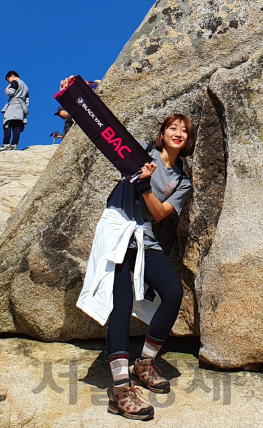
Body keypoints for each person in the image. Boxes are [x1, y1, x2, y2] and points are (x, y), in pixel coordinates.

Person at [76, 114, 196, 421]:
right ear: (161, 133)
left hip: (143, 236)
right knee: (121, 303)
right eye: (173, 127)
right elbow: (105, 133)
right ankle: (120, 389)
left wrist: (144, 186)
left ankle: (144, 363)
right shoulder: (144, 152)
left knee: (172, 291)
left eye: (184, 130)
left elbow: (158, 214)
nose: (178, 132)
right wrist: (74, 96)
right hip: (117, 228)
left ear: (189, 140)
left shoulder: (181, 182)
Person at [0, 70, 28, 152]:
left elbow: (11, 93)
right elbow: (27, 101)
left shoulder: (15, 82)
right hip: (21, 107)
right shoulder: (25, 86)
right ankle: (14, 144)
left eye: (8, 79)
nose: (8, 82)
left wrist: (7, 90)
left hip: (13, 105)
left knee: (7, 123)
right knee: (17, 125)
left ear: (12, 76)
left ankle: (6, 144)